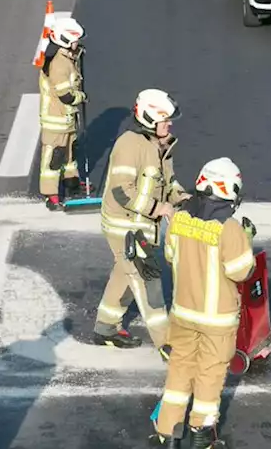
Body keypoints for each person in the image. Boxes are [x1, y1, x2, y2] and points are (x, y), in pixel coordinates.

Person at [150, 158, 256, 448]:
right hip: (217, 321)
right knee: (209, 375)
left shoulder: (181, 218)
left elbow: (171, 254)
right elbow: (241, 271)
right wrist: (246, 240)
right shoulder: (230, 228)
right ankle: (201, 435)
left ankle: (167, 432)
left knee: (180, 370)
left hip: (183, 314)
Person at [93, 89, 190, 350]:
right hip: (124, 227)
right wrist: (159, 208)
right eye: (165, 120)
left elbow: (168, 182)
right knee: (149, 282)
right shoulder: (129, 145)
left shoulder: (161, 146)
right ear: (149, 119)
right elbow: (121, 191)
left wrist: (184, 198)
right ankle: (168, 345)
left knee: (124, 274)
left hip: (141, 225)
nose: (169, 124)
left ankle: (105, 327)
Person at [38, 17, 86, 210]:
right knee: (54, 157)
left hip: (67, 118)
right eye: (75, 40)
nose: (78, 43)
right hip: (56, 119)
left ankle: (72, 183)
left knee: (70, 152)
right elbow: (65, 95)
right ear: (66, 40)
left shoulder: (67, 58)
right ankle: (51, 194)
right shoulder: (58, 64)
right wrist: (81, 97)